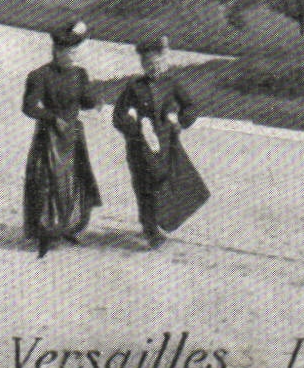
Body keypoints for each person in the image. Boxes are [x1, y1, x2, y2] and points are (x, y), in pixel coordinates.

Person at [112, 35, 208, 250]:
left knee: (166, 183)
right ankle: (150, 228)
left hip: (165, 144)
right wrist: (131, 122)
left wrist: (179, 122)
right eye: (147, 64)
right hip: (139, 145)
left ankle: (161, 220)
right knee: (143, 185)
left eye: (156, 63)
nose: (152, 68)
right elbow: (117, 117)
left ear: (163, 62)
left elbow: (191, 108)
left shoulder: (171, 84)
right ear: (142, 64)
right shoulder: (134, 87)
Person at [21, 21, 102, 258]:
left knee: (75, 180)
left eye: (75, 52)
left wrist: (95, 101)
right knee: (48, 183)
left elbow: (84, 100)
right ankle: (46, 232)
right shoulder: (39, 75)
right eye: (67, 52)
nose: (71, 56)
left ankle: (68, 227)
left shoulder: (80, 74)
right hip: (49, 138)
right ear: (55, 51)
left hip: (72, 136)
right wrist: (51, 117)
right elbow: (28, 106)